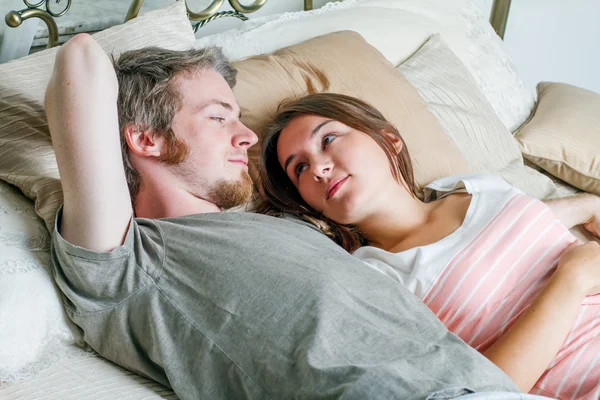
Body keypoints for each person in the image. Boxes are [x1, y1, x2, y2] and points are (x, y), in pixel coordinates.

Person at [43, 33, 539, 400]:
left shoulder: (288, 226)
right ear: (146, 138)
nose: (248, 137)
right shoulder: (127, 257)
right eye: (219, 117)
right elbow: (80, 57)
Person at [259, 92, 600, 400]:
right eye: (300, 168)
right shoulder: (374, 278)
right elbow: (485, 391)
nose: (318, 168)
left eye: (328, 139)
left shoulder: (472, 187)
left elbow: (518, 241)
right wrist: (571, 282)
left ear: (389, 140)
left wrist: (584, 205)